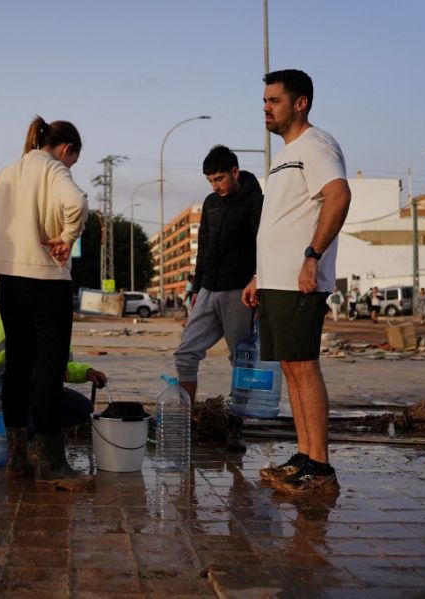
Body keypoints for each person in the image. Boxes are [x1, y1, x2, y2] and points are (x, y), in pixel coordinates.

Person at [0, 115, 89, 490]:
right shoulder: (53, 169)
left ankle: (16, 457)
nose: (69, 166)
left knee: (18, 368)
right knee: (49, 371)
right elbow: (77, 203)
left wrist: (8, 241)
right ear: (66, 149)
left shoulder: (9, 171)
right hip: (47, 282)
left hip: (11, 283)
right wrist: (66, 236)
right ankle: (51, 462)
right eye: (73, 160)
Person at [242, 69, 351, 494]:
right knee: (290, 366)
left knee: (304, 366)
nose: (266, 108)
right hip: (276, 281)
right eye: (265, 101)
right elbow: (283, 219)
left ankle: (320, 466)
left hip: (301, 280)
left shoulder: (316, 144)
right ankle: (306, 455)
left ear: (300, 103)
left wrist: (312, 256)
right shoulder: (285, 154)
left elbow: (338, 196)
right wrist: (259, 274)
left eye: (274, 101)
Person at [173, 145, 263, 451]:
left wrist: (257, 281)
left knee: (241, 361)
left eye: (220, 178)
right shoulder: (210, 203)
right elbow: (203, 250)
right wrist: (196, 288)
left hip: (240, 291)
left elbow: (263, 245)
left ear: (235, 172)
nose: (215, 186)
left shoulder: (255, 201)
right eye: (210, 180)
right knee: (185, 354)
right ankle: (186, 425)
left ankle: (236, 426)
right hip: (208, 290)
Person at [0, 315, 106, 431]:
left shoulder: (58, 324)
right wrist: (50, 370)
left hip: (33, 380)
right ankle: (22, 441)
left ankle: (39, 436)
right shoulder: (13, 315)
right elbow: (17, 365)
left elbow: (64, 366)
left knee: (83, 408)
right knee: (32, 383)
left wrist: (87, 372)